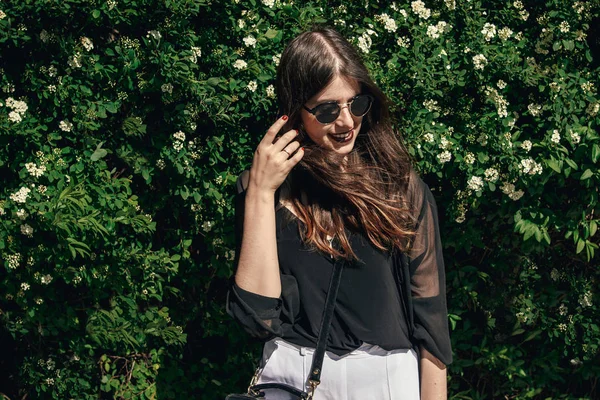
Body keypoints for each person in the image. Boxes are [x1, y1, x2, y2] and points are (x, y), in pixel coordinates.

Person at [227, 26, 452, 400]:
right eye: (329, 109)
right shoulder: (267, 187)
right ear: (295, 110)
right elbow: (259, 315)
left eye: (356, 104)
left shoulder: (399, 187)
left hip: (382, 381)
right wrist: (261, 193)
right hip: (292, 378)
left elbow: (431, 322)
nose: (347, 122)